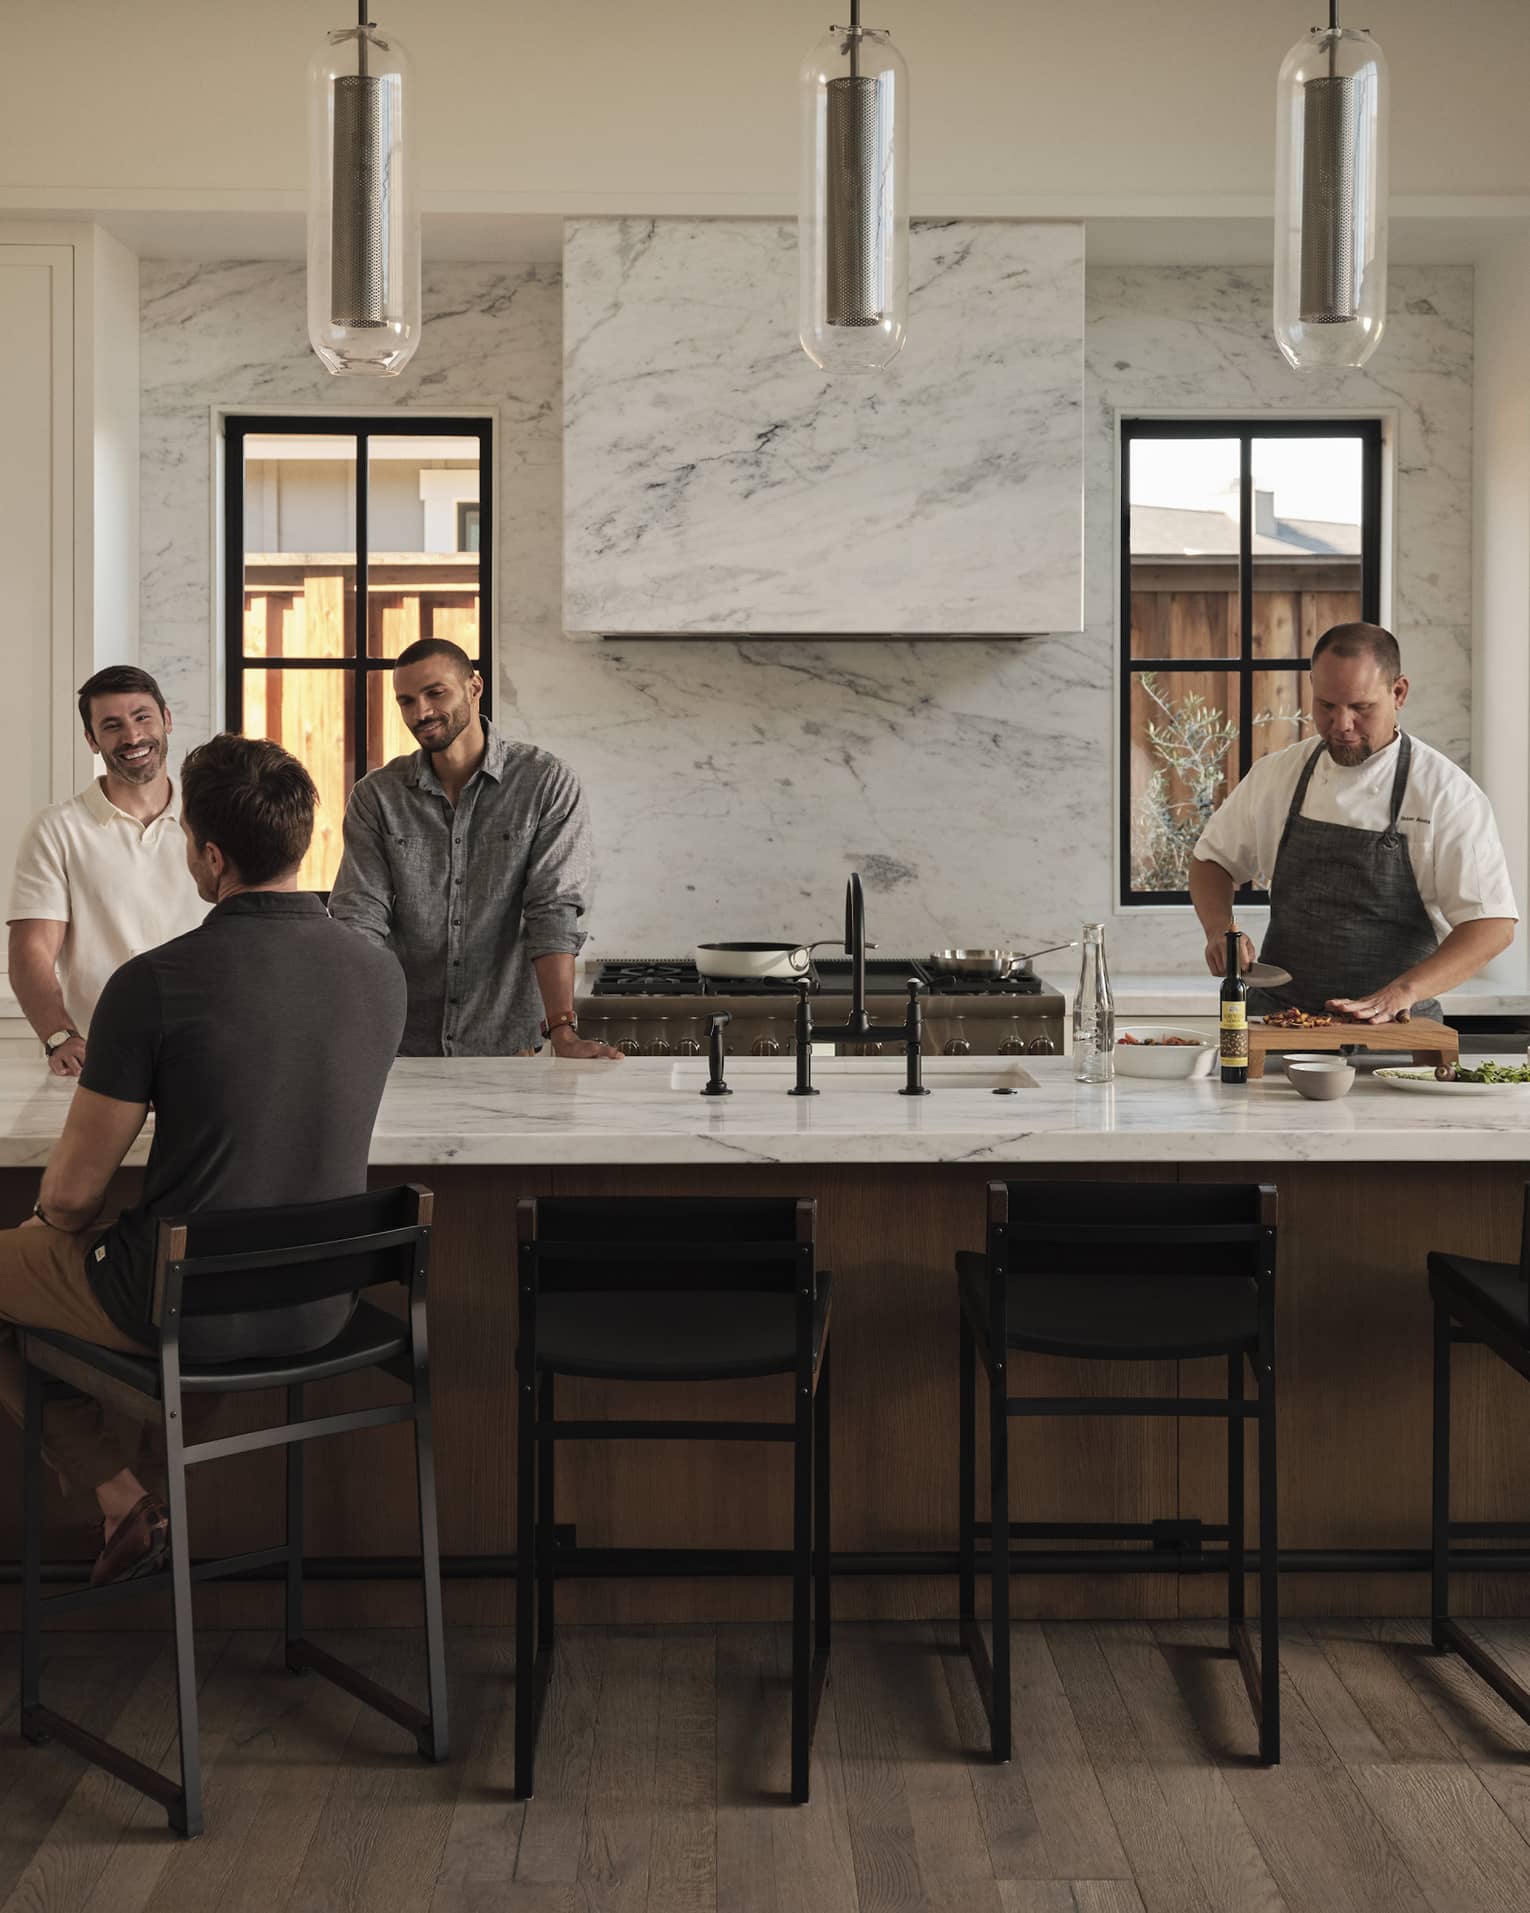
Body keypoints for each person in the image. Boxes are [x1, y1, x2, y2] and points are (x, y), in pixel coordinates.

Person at [0, 734, 406, 1587]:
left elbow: (72, 1198)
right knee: (208, 1258)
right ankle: (144, 1495)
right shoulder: (379, 971)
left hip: (196, 1306)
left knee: (122, 1269)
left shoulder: (155, 983)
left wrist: (46, 1235)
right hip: (321, 1300)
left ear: (211, 856)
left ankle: (121, 1495)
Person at [1190, 623, 1517, 1022]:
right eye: (1326, 705)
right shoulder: (1278, 774)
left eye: (1360, 708)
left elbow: (1492, 925)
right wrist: (1219, 928)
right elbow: (1212, 861)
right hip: (1281, 1023)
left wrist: (1403, 992)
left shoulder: (1447, 793)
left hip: (1396, 1028)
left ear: (1398, 693)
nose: (1341, 724)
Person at [329, 636, 622, 1060]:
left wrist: (563, 1032)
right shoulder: (377, 797)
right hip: (402, 1047)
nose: (421, 712)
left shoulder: (545, 784)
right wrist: (351, 1025)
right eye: (406, 701)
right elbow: (360, 918)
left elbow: (552, 910)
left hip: (511, 1046)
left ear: (474, 687)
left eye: (435, 693)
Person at [7, 665, 207, 1078]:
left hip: (209, 1051)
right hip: (103, 1060)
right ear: (92, 740)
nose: (133, 737)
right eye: (112, 726)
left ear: (167, 719)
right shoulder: (56, 829)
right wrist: (59, 1036)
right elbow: (32, 952)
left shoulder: (212, 816)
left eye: (142, 717)